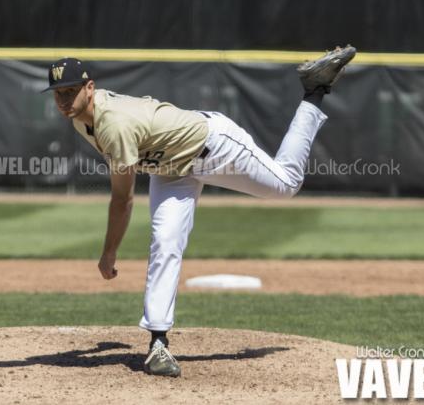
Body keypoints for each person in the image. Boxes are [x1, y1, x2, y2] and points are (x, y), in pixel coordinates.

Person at [40, 46, 356, 377]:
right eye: (58, 93)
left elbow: (123, 199)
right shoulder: (80, 118)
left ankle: (314, 92)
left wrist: (109, 253)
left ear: (89, 88)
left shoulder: (113, 125)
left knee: (286, 184)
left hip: (214, 147)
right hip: (170, 167)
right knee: (165, 241)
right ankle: (158, 344)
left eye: (70, 91)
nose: (63, 100)